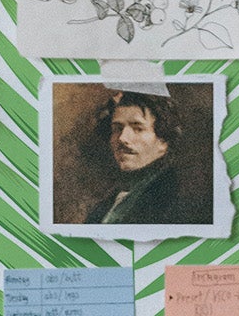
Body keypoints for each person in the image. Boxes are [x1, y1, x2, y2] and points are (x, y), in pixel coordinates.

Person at [81, 86, 206, 228]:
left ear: (163, 141)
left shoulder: (176, 200)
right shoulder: (106, 204)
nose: (122, 138)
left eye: (138, 129)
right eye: (117, 129)